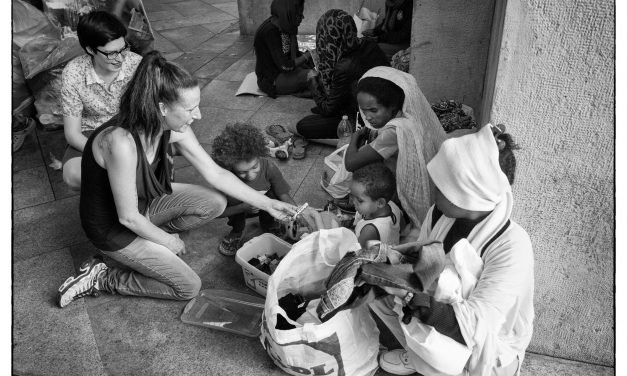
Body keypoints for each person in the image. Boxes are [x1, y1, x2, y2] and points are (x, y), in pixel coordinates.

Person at [56, 51, 297, 308]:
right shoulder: (121, 142)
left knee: (214, 202)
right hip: (113, 228)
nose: (199, 115)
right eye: (191, 109)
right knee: (188, 287)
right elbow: (127, 217)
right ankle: (103, 277)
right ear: (162, 108)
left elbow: (215, 173)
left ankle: (148, 240)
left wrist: (267, 203)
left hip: (145, 206)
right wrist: (167, 241)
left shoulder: (171, 129)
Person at [371, 124, 534, 376]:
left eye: (440, 186)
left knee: (451, 356)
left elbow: (476, 327)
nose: (433, 190)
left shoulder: (512, 246)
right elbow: (425, 255)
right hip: (441, 305)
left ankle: (452, 366)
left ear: (465, 195)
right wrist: (387, 260)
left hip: (487, 345)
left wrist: (413, 298)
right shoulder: (441, 214)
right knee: (378, 293)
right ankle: (421, 356)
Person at [345, 66, 446, 229]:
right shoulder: (410, 116)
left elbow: (350, 163)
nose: (368, 117)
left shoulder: (395, 130)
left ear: (392, 107)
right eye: (363, 111)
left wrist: (354, 138)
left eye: (373, 110)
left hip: (397, 192)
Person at [61, 11, 142, 189]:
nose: (120, 58)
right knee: (73, 175)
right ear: (90, 49)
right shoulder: (73, 72)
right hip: (92, 134)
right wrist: (107, 156)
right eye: (111, 53)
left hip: (131, 131)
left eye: (123, 49)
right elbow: (72, 134)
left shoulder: (137, 64)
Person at [287, 9, 389, 141]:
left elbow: (328, 110)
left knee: (304, 125)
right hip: (384, 109)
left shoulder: (343, 66)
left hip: (364, 120)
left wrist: (312, 81)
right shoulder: (368, 44)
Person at [211, 123, 298, 256]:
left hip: (267, 207)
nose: (251, 175)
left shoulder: (269, 167)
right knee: (233, 202)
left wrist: (296, 212)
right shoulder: (223, 180)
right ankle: (237, 231)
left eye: (255, 167)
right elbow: (216, 213)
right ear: (229, 168)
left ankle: (268, 223)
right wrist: (243, 207)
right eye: (242, 172)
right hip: (239, 209)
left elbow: (283, 194)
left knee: (274, 194)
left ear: (260, 156)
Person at [253, 0, 312, 97]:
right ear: (288, 15)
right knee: (313, 75)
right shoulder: (270, 32)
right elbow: (285, 66)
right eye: (299, 15)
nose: (302, 18)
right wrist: (306, 56)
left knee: (316, 67)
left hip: (284, 71)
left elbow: (294, 55)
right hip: (273, 79)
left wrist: (309, 57)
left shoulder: (287, 26)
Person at [350, 163, 402, 248]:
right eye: (352, 195)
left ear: (380, 203)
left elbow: (354, 252)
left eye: (359, 200)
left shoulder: (370, 230)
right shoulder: (393, 206)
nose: (353, 202)